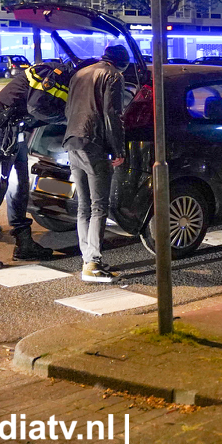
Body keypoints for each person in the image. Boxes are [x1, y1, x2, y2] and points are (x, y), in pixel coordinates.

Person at [0, 61, 72, 269]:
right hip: (0, 126)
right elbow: (36, 106)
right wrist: (67, 119)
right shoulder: (54, 74)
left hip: (16, 129)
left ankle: (23, 243)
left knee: (19, 185)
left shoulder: (66, 81)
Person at [64, 45, 129, 283]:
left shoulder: (80, 73)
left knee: (83, 206)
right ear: (122, 63)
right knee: (99, 205)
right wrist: (118, 149)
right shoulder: (113, 75)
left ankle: (87, 258)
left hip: (72, 139)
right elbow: (112, 114)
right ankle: (93, 264)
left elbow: (69, 108)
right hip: (94, 142)